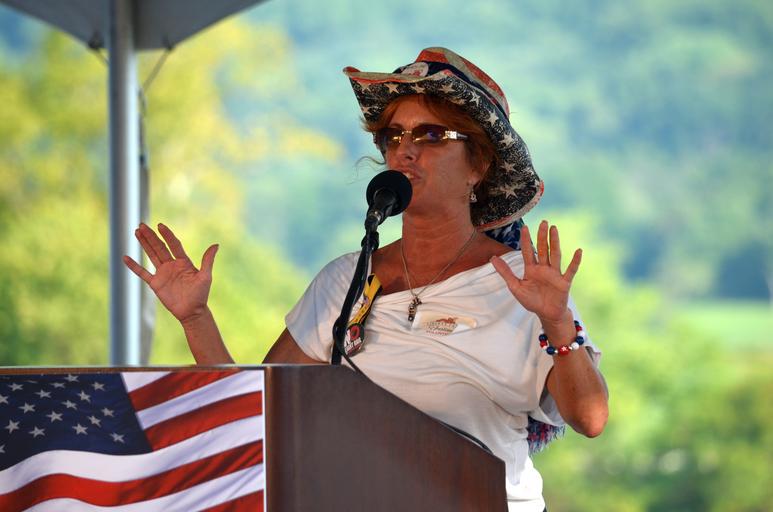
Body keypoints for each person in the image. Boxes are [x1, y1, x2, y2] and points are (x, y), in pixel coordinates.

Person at [124, 47, 608, 511]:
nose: (405, 151)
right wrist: (195, 318)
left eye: (431, 135)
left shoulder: (525, 284)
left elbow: (589, 418)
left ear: (478, 165)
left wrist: (557, 323)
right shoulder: (345, 279)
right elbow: (257, 416)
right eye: (393, 136)